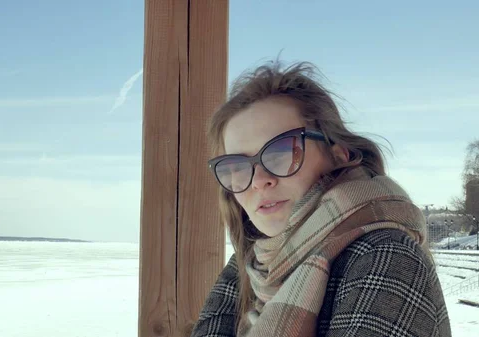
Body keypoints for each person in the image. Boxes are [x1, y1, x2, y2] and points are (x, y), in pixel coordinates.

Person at [190, 61, 451, 337]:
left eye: (281, 152)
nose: (258, 181)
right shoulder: (249, 269)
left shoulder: (386, 256)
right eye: (237, 167)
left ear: (339, 155)